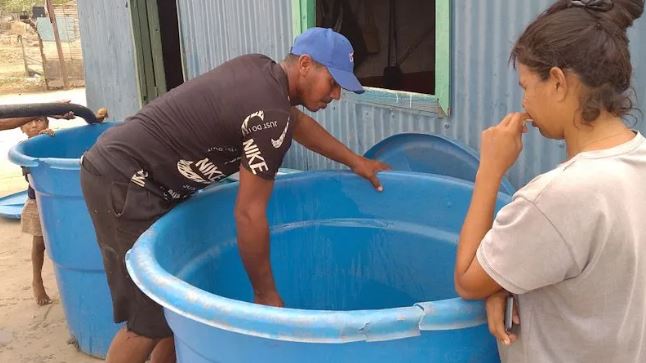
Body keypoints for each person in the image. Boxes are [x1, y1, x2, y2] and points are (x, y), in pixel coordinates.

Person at [80, 27, 389, 363]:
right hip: (126, 179)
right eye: (333, 82)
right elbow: (248, 214)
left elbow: (296, 123)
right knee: (148, 321)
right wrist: (265, 294)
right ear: (304, 64)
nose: (336, 95)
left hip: (143, 178)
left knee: (174, 311)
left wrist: (356, 161)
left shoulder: (263, 72)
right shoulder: (269, 116)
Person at [453, 0, 645, 362]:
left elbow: (466, 279)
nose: (523, 103)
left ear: (557, 81)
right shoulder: (636, 162)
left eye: (526, 86)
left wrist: (489, 171)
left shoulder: (555, 197)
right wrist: (503, 285)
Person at [19, 117, 54, 305]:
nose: (34, 125)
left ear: (47, 123)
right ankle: (37, 281)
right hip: (37, 201)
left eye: (39, 121)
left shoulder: (52, 138)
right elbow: (28, 170)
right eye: (29, 122)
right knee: (39, 243)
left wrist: (49, 140)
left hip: (57, 200)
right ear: (21, 128)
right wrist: (37, 145)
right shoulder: (23, 147)